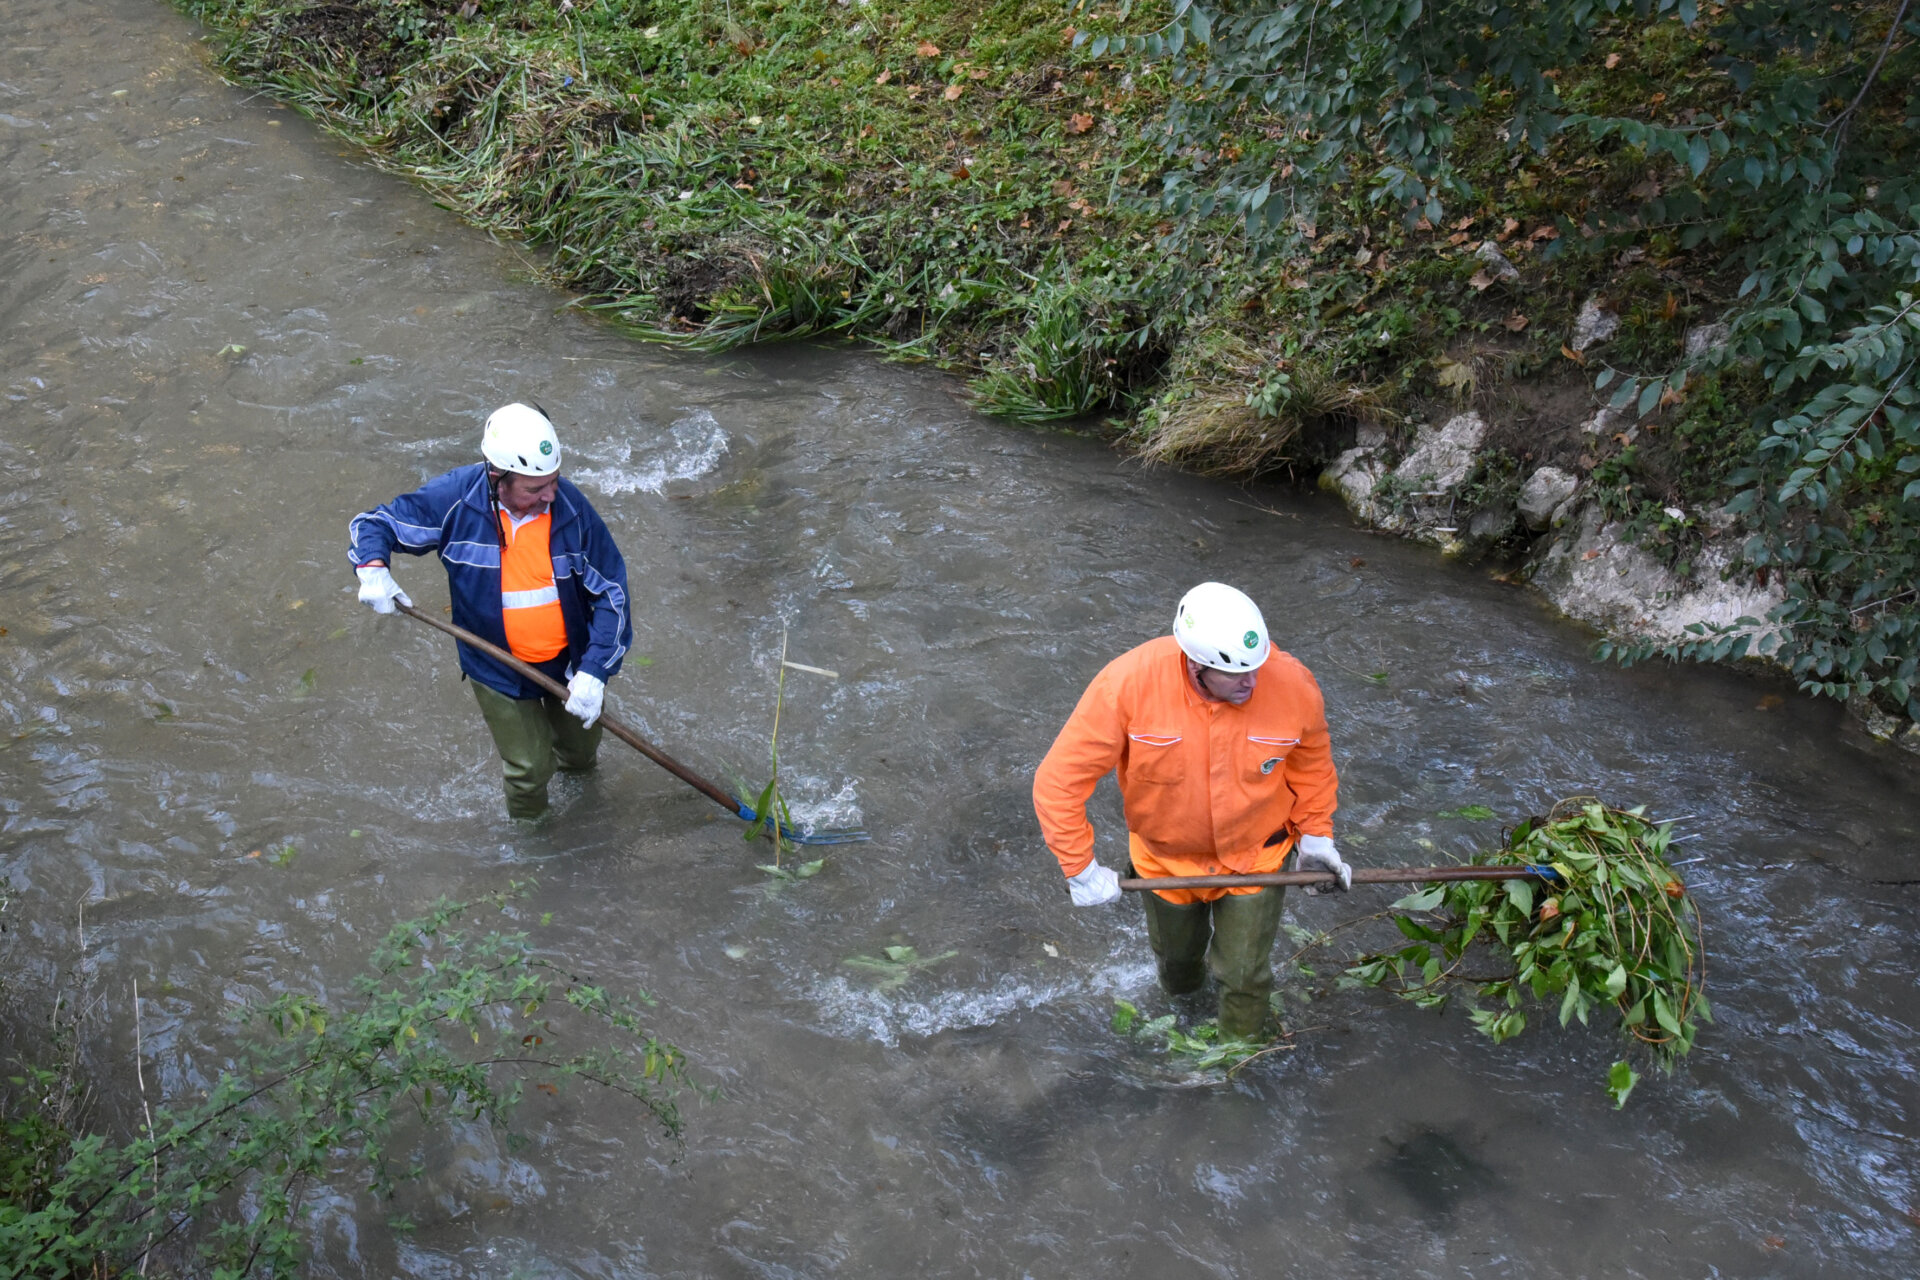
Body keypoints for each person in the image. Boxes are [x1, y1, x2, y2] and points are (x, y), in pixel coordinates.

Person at [1032, 582, 1350, 1040]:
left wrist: (1317, 837)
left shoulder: (1293, 683)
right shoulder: (1127, 685)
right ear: (1197, 666)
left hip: (1257, 856)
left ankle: (1233, 1062)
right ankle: (1185, 1021)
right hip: (1165, 863)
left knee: (1244, 976)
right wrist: (1079, 867)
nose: (1253, 683)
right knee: (1177, 969)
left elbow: (1312, 764)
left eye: (1257, 668)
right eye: (1237, 676)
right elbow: (1058, 781)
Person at [348, 403, 633, 820]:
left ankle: (587, 817)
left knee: (581, 752)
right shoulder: (456, 501)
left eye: (553, 482)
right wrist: (373, 568)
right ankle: (533, 844)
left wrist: (595, 670)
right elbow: (376, 524)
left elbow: (612, 594)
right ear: (497, 477)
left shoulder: (571, 510)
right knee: (529, 769)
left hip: (570, 664)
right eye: (535, 489)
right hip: (496, 665)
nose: (549, 495)